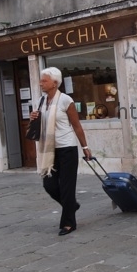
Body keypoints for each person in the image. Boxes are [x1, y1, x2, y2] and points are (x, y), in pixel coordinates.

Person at [30, 67, 92, 236]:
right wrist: (34, 117)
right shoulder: (42, 101)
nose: (41, 83)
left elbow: (77, 126)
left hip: (67, 148)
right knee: (49, 185)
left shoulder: (66, 100)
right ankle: (71, 206)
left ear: (55, 83)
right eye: (41, 80)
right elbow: (41, 123)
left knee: (66, 187)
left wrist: (85, 147)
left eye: (44, 80)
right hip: (49, 150)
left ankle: (68, 223)